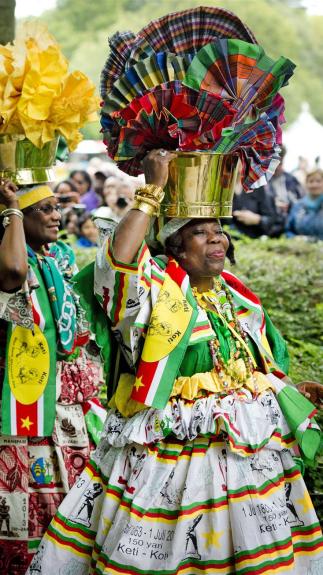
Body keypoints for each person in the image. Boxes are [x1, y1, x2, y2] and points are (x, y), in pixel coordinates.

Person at [27, 150, 323, 575]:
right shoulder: (157, 296)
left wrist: (291, 387)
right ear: (176, 250)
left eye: (219, 231)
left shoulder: (236, 296)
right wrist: (152, 191)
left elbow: (248, 365)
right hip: (170, 458)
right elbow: (118, 266)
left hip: (247, 459)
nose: (217, 239)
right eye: (201, 233)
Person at [0, 179, 105, 573]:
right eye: (43, 209)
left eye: (56, 206)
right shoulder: (9, 258)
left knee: (73, 508)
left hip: (69, 410)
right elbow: (13, 271)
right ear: (15, 219)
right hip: (24, 409)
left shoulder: (57, 258)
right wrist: (10, 205)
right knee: (27, 509)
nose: (57, 216)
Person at [286, 168, 323, 240]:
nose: (314, 185)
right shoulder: (298, 206)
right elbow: (288, 230)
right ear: (306, 184)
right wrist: (295, 238)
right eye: (311, 181)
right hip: (302, 248)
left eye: (318, 181)